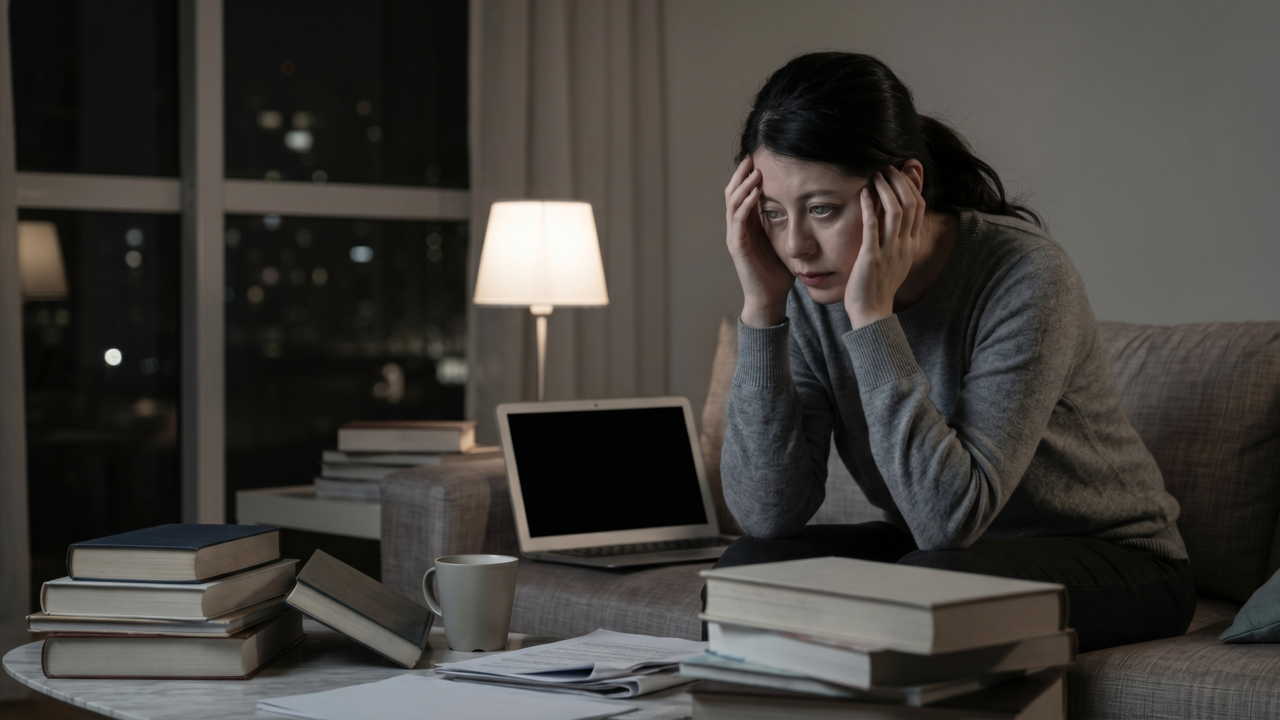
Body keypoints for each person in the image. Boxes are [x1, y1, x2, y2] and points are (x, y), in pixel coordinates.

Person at [716, 51, 1194, 653]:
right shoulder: (807, 289)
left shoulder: (1026, 276)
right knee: (747, 571)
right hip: (945, 555)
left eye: (822, 210)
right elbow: (768, 515)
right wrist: (762, 310)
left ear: (904, 186)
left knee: (929, 586)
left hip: (1119, 563)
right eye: (772, 214)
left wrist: (871, 318)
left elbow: (947, 520)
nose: (795, 246)